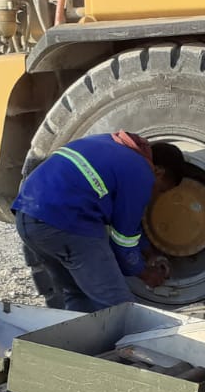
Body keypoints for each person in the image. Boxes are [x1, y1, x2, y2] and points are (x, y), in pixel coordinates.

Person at [12, 131, 187, 312]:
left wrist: (150, 254)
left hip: (28, 218)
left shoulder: (111, 145)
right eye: (161, 190)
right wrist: (145, 274)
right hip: (66, 223)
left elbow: (126, 225)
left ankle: (79, 329)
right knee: (120, 306)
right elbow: (123, 242)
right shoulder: (142, 172)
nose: (155, 196)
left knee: (78, 294)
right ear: (158, 171)